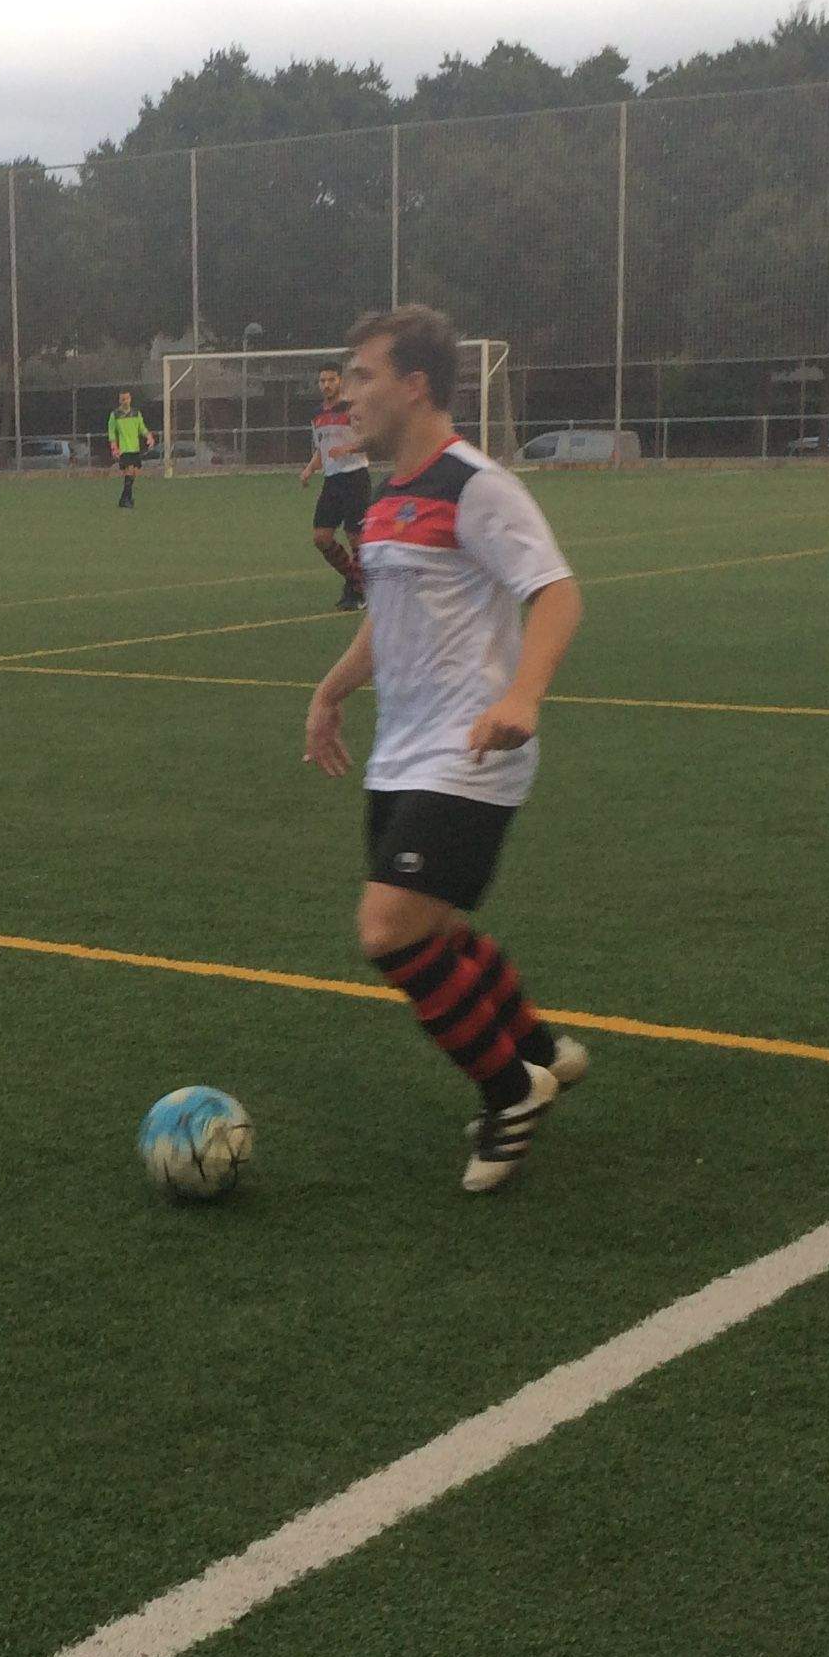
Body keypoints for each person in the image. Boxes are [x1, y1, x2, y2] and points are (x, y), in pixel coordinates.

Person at [301, 304, 588, 1193]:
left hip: (471, 748)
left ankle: (511, 1091)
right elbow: (388, 628)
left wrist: (523, 697)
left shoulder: (476, 486)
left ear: (415, 383)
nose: (348, 394)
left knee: (389, 930)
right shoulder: (386, 501)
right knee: (437, 926)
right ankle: (539, 1049)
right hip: (404, 752)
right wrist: (331, 690)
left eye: (363, 375)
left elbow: (557, 594)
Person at [298, 361, 371, 610]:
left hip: (355, 476)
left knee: (355, 537)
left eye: (331, 380)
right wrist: (309, 469)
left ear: (340, 381)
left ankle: (358, 593)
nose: (326, 385)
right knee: (321, 537)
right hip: (332, 480)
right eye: (322, 381)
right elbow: (322, 449)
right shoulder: (316, 415)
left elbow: (369, 440)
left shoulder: (352, 408)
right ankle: (356, 580)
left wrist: (348, 448)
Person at [106, 389, 152, 509]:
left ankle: (125, 499)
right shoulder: (115, 415)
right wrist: (114, 447)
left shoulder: (136, 413)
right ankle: (126, 500)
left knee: (134, 473)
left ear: (130, 399)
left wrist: (149, 436)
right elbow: (111, 432)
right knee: (129, 471)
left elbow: (141, 428)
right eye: (122, 399)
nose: (125, 401)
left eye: (126, 398)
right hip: (124, 449)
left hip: (135, 448)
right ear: (119, 400)